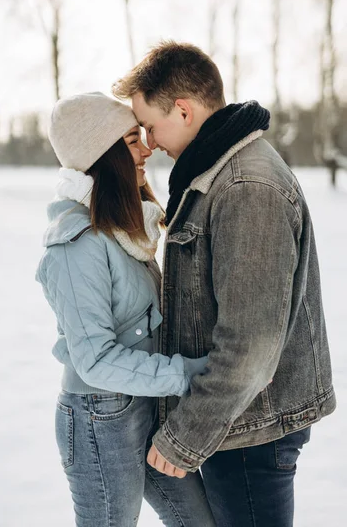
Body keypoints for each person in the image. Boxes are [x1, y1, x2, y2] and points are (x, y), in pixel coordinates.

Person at [112, 41, 337, 527]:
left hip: (249, 429)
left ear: (184, 110)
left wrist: (186, 434)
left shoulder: (244, 188)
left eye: (150, 125)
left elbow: (250, 346)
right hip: (235, 422)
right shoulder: (214, 175)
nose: (148, 142)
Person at [35, 92, 216, 527]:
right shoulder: (76, 245)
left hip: (147, 407)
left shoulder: (125, 229)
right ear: (103, 154)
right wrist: (189, 374)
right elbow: (95, 359)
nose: (147, 149)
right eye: (132, 140)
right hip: (101, 420)